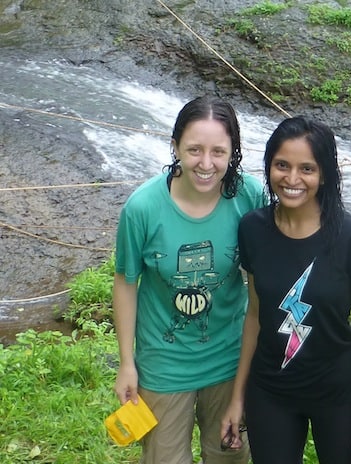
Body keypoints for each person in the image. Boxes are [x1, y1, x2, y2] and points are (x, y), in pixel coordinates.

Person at [221, 116, 351, 464]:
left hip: (337, 394)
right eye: (282, 165)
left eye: (307, 169)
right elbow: (255, 315)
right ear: (269, 167)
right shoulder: (253, 229)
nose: (292, 179)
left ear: (324, 174)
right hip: (270, 393)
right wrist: (237, 399)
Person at [113, 95, 265, 464]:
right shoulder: (143, 208)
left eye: (219, 151)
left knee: (230, 457)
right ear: (175, 145)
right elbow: (126, 283)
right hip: (164, 364)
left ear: (234, 151)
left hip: (230, 361)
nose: (206, 164)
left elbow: (262, 285)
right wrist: (126, 362)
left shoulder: (249, 197)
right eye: (194, 149)